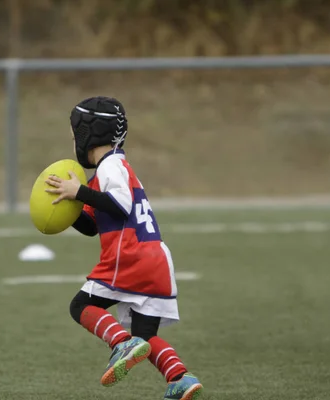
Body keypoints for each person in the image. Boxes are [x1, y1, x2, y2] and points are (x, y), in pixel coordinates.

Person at [45, 96, 203, 400]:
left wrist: (77, 191)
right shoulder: (115, 170)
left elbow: (120, 205)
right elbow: (92, 226)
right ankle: (180, 378)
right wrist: (68, 208)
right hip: (155, 259)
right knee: (145, 336)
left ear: (88, 132)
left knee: (80, 306)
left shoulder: (110, 167)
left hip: (130, 257)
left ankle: (120, 343)